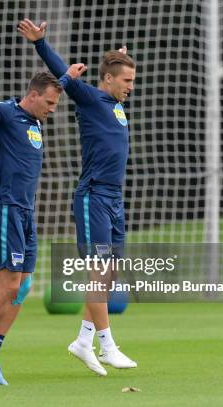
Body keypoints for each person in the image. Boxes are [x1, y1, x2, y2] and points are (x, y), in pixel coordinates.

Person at [0, 55, 86, 385]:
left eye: (56, 103)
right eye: (50, 103)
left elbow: (57, 88)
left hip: (26, 212)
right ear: (33, 95)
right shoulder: (6, 113)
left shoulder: (38, 116)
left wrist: (66, 76)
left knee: (23, 286)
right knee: (8, 283)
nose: (53, 109)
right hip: (6, 208)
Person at [18, 19, 138, 376]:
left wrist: (119, 58)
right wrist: (41, 43)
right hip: (94, 197)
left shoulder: (116, 103)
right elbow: (60, 71)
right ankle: (107, 345)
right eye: (126, 80)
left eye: (132, 80)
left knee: (110, 274)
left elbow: (113, 70)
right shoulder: (90, 97)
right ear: (109, 79)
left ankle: (83, 341)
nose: (131, 86)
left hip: (115, 199)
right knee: (98, 274)